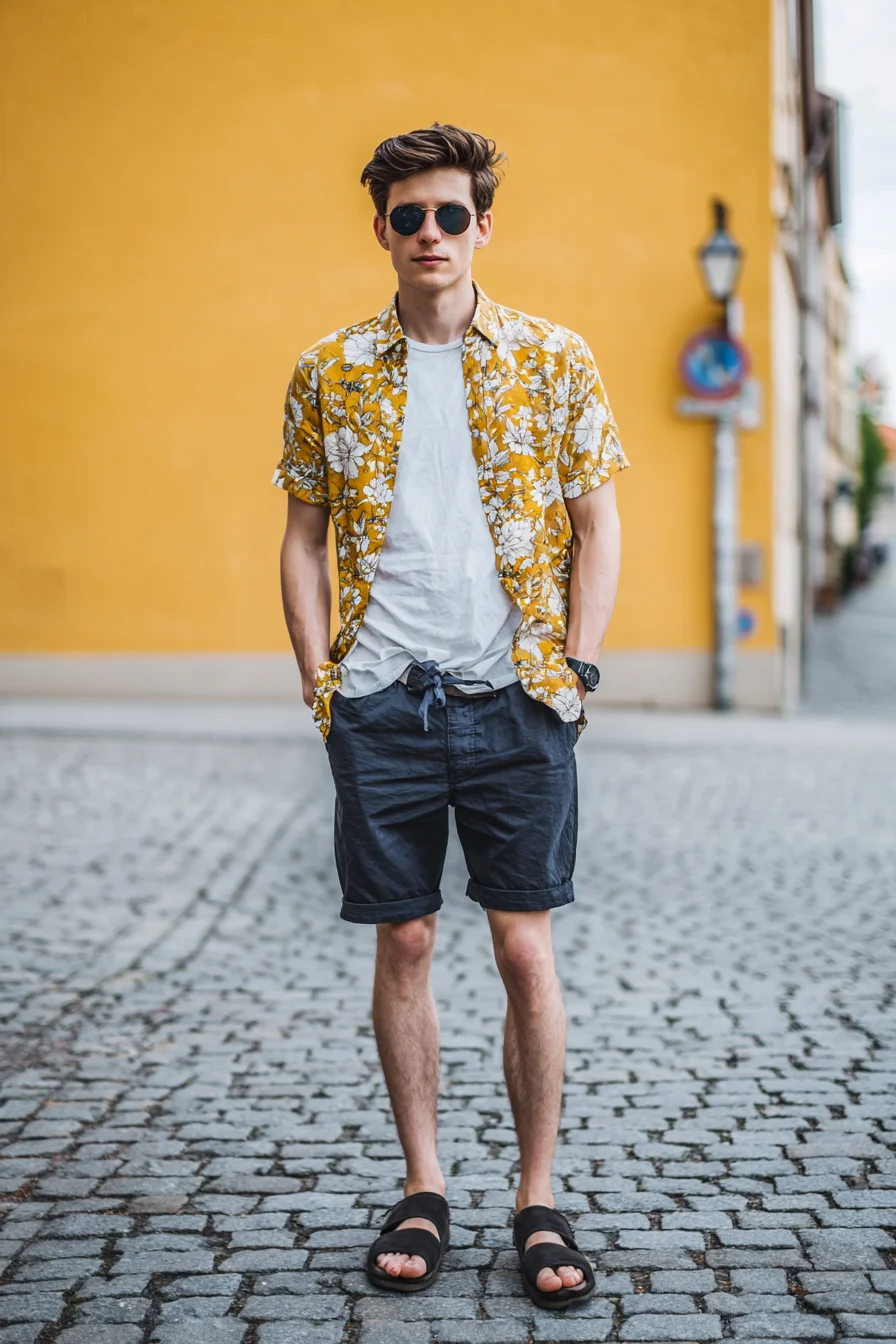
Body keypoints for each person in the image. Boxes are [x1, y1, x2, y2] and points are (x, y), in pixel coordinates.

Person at [274, 122, 629, 1310]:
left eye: (451, 215)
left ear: (483, 225)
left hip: (515, 696)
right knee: (408, 940)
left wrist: (573, 670)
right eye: (409, 215)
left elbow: (597, 524)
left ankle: (535, 1196)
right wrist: (324, 685)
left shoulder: (552, 358)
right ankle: (423, 1185)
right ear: (380, 227)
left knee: (524, 947)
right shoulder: (328, 369)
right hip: (381, 701)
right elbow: (301, 542)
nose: (431, 234)